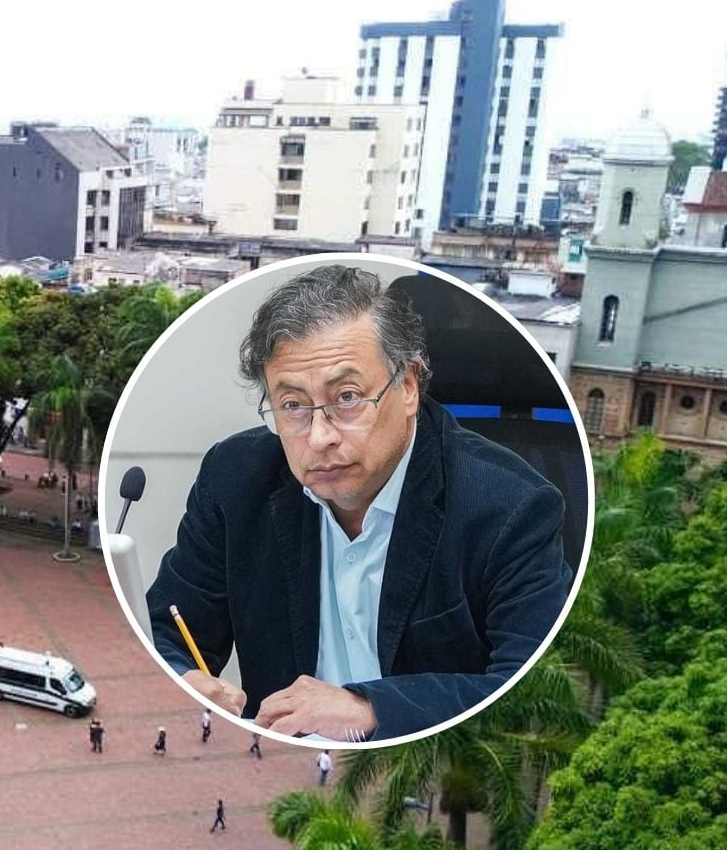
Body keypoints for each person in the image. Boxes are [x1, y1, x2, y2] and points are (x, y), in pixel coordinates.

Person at [146, 265, 572, 742]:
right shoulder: (236, 479)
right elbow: (168, 627)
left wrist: (370, 709)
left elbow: (525, 694)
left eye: (347, 398)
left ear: (409, 386)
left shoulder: (509, 508)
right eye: (292, 406)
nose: (320, 436)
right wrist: (186, 679)